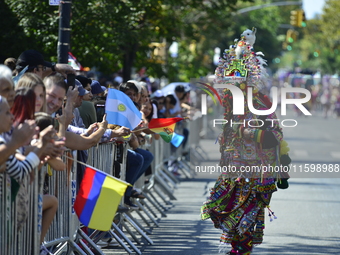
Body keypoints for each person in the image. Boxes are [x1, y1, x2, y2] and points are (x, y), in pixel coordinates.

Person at [201, 29, 290, 255]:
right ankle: (238, 249)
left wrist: (252, 134)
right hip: (233, 171)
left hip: (258, 172)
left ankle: (240, 251)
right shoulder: (231, 108)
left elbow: (276, 135)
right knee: (226, 210)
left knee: (247, 218)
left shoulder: (262, 105)